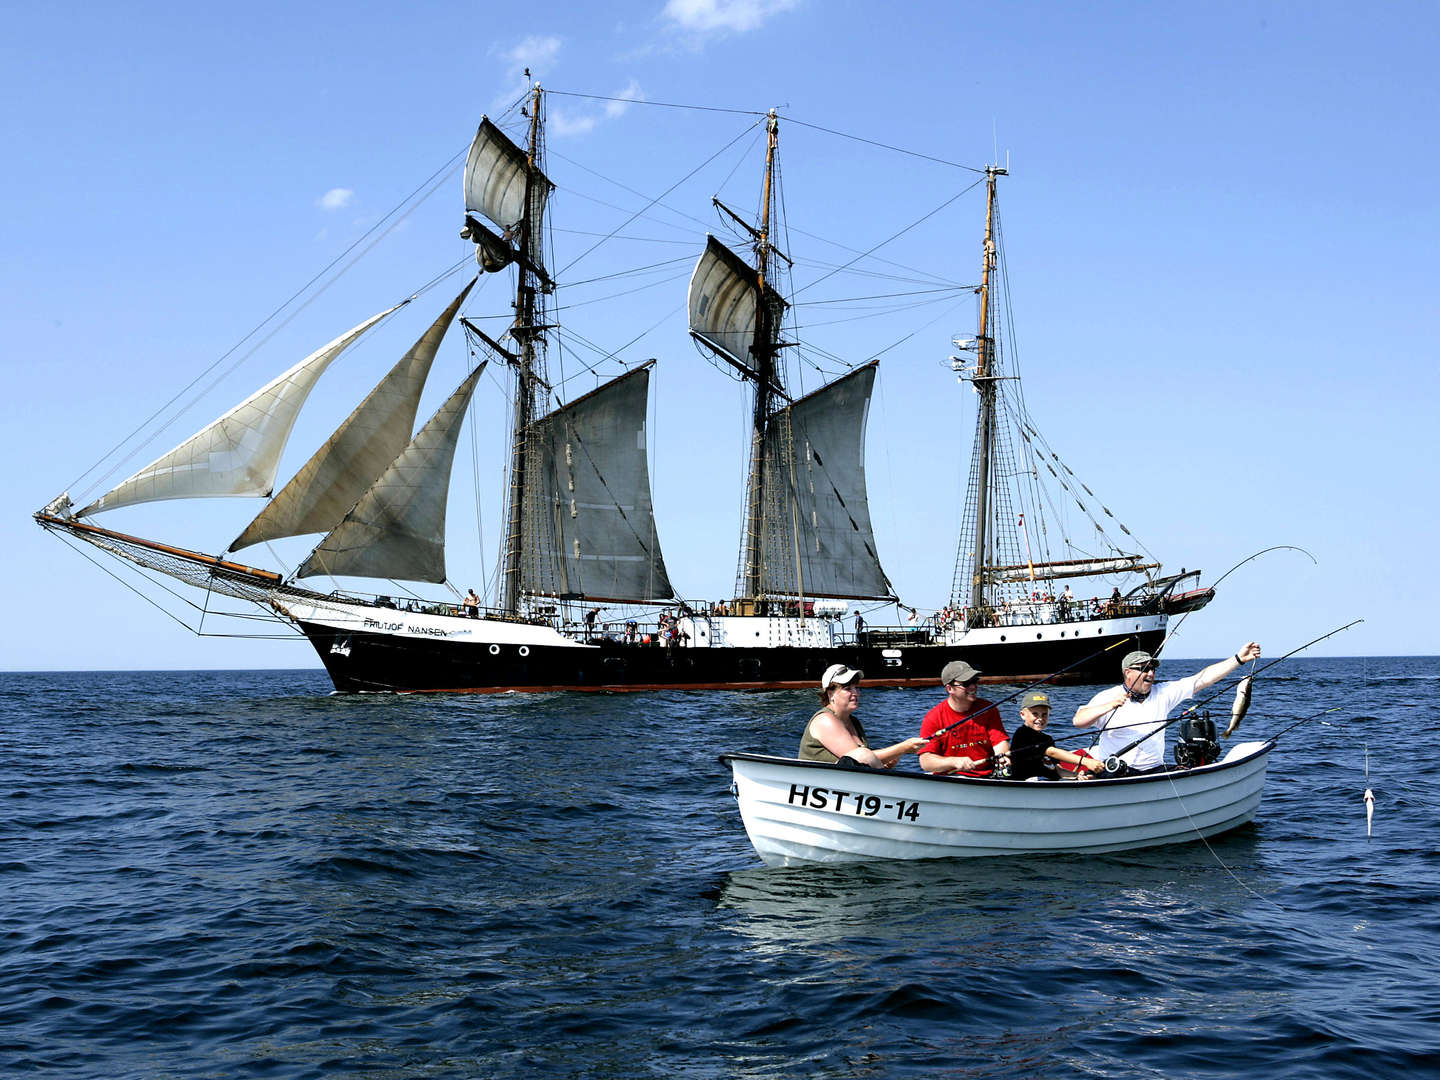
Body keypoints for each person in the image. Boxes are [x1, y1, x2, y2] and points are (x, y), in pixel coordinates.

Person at [1073, 643, 1262, 774]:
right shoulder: (1107, 696)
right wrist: (1109, 706)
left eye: (1153, 669)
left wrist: (1238, 659)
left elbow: (1203, 679)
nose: (1150, 673)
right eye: (1144, 669)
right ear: (1128, 672)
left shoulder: (1162, 693)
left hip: (1155, 770)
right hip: (1116, 770)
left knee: (1189, 772)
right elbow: (1078, 721)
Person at [799, 664, 928, 768]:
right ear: (830, 694)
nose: (856, 693)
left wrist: (883, 763)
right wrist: (903, 748)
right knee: (862, 754)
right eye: (848, 689)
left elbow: (862, 762)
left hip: (841, 786)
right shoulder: (825, 720)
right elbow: (860, 757)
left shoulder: (854, 722)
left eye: (856, 687)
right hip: (821, 785)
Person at [918, 660, 1010, 777]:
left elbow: (999, 742)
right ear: (949, 689)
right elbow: (926, 761)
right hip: (952, 779)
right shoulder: (933, 717)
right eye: (966, 683)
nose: (973, 687)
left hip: (988, 777)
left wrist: (1003, 757)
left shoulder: (989, 709)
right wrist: (954, 761)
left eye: (974, 681)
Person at [1007, 690, 1103, 781]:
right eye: (1035, 714)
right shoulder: (1022, 734)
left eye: (1044, 714)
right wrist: (1085, 761)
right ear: (1022, 715)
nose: (1040, 718)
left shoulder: (1047, 739)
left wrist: (1077, 776)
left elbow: (1058, 770)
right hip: (1028, 784)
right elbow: (1052, 752)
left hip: (1049, 784)